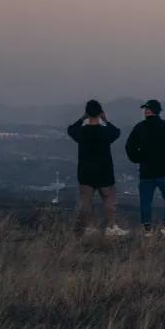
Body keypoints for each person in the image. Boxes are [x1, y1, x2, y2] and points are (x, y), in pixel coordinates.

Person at [67, 100, 127, 236]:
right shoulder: (105, 132)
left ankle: (85, 228)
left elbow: (70, 129)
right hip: (104, 172)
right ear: (100, 113)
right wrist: (106, 120)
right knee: (108, 200)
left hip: (86, 172)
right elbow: (116, 132)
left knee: (86, 202)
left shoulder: (81, 132)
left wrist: (82, 118)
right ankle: (111, 227)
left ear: (87, 113)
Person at [125, 99, 165, 240]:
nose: (145, 111)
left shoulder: (140, 127)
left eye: (147, 109)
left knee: (146, 201)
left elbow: (129, 147)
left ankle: (147, 230)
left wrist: (139, 159)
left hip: (146, 172)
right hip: (164, 171)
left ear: (150, 111)